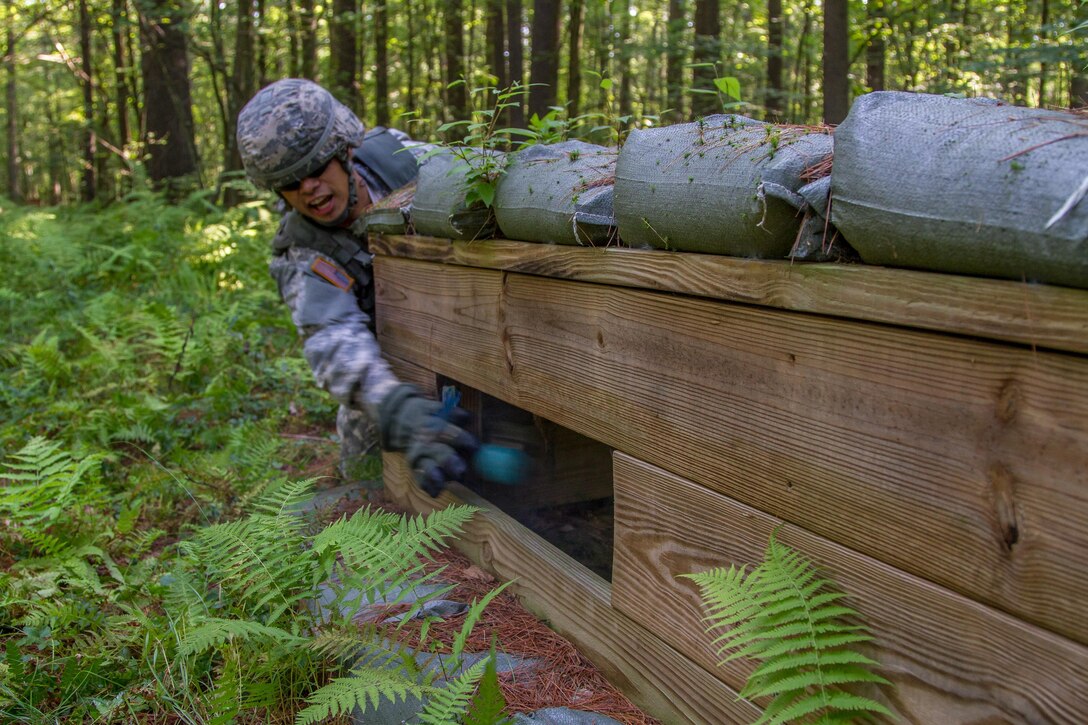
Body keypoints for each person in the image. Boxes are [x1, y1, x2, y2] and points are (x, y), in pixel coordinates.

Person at [235, 78, 476, 496]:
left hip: (466, 331)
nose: (308, 188)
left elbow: (485, 178)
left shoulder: (402, 162)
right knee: (368, 479)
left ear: (344, 151)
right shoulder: (305, 252)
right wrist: (397, 412)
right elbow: (332, 339)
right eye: (291, 183)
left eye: (314, 169)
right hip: (390, 375)